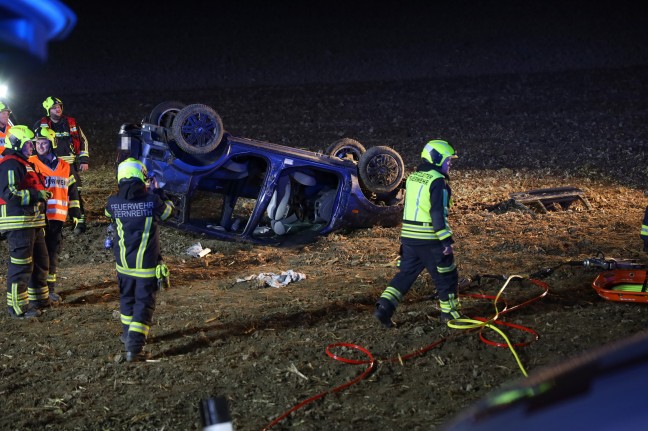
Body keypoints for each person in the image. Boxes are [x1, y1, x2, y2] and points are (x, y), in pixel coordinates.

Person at [374, 140, 464, 328]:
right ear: (437, 159)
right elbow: (437, 212)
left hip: (409, 238)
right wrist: (445, 240)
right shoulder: (438, 181)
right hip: (429, 238)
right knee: (446, 276)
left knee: (405, 274)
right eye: (448, 160)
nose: (450, 164)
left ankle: (384, 306)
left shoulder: (414, 178)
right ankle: (450, 314)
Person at [105, 157, 174, 362]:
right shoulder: (152, 201)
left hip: (123, 265)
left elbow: (108, 214)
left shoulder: (113, 202)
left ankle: (127, 336)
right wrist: (160, 192)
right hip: (145, 266)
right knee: (144, 304)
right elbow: (169, 213)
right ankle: (135, 348)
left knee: (127, 300)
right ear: (141, 176)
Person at [0, 125, 52, 318]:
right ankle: (17, 308)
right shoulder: (11, 164)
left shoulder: (24, 163)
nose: (32, 147)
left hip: (32, 221)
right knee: (21, 265)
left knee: (40, 261)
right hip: (18, 222)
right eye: (29, 144)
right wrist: (36, 194)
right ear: (17, 143)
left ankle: (39, 299)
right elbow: (9, 193)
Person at [29, 126, 81, 303]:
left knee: (52, 253)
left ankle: (49, 289)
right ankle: (37, 288)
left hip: (57, 218)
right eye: (37, 143)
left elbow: (73, 191)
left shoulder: (65, 166)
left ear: (51, 144)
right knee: (37, 254)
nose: (40, 147)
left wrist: (76, 213)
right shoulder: (31, 163)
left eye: (43, 143)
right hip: (38, 217)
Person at [34, 96, 89, 234]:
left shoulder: (71, 122)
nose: (58, 109)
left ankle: (79, 221)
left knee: (75, 191)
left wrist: (84, 160)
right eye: (54, 107)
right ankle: (48, 221)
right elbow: (34, 143)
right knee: (50, 192)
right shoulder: (40, 125)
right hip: (49, 165)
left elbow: (83, 140)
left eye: (59, 106)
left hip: (69, 164)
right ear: (48, 110)